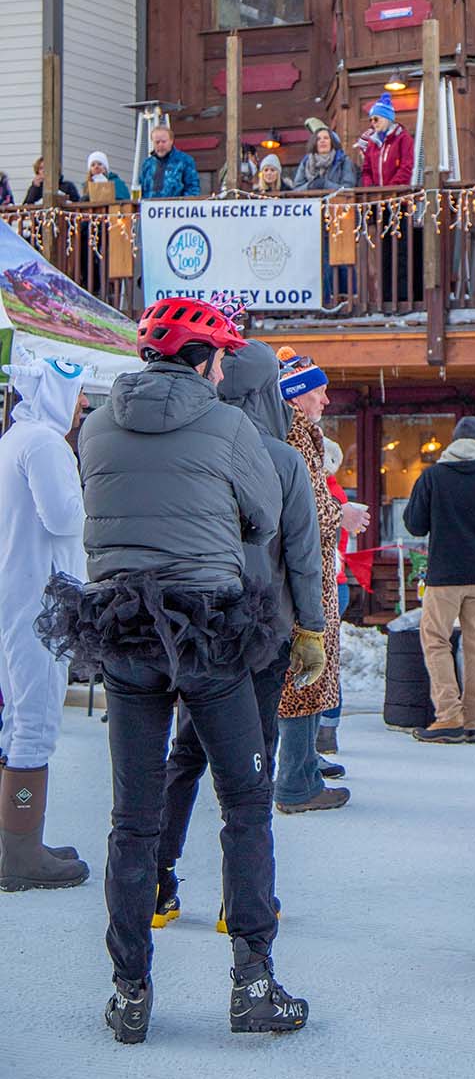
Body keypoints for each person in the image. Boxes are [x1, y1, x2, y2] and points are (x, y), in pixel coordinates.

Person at [36, 297, 307, 1041]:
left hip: (123, 626)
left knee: (133, 817)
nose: (226, 369)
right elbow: (262, 518)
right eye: (222, 357)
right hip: (212, 627)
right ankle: (254, 981)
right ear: (205, 360)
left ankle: (130, 994)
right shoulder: (226, 425)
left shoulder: (95, 426)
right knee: (245, 801)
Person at [154, 338, 329, 928]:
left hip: (200, 629)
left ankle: (158, 881)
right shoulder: (281, 459)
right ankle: (243, 899)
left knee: (186, 753)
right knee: (253, 766)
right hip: (265, 633)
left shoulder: (191, 450)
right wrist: (313, 629)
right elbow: (304, 558)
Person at [0, 358, 89, 893]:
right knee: (35, 722)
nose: (82, 404)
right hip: (43, 603)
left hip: (18, 594)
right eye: (77, 392)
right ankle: (21, 855)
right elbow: (63, 518)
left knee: (16, 719)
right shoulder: (46, 445)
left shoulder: (14, 438)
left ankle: (16, 837)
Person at [403, 416, 475, 744]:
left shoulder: (433, 476)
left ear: (453, 441)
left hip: (444, 575)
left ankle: (449, 715)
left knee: (436, 641)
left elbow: (414, 524)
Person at [274, 355, 349, 813]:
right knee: (306, 669)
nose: (326, 397)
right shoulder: (298, 436)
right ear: (298, 393)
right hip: (306, 575)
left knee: (306, 669)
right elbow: (311, 512)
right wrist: (344, 514)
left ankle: (301, 767)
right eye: (318, 389)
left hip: (304, 571)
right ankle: (297, 781)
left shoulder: (299, 434)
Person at [315, 437, 370, 755]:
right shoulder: (335, 491)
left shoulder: (328, 493)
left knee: (321, 660)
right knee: (325, 658)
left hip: (329, 583)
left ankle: (325, 729)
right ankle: (326, 730)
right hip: (337, 582)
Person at [358, 94, 415, 187]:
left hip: (399, 197)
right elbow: (366, 170)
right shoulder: (372, 143)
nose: (373, 122)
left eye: (376, 119)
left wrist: (391, 188)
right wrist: (370, 187)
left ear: (387, 118)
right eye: (371, 120)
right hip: (376, 197)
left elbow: (406, 166)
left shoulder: (403, 138)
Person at [138, 125, 201, 199]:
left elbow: (193, 189)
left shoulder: (184, 161)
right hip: (150, 208)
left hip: (176, 208)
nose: (160, 145)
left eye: (164, 141)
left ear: (171, 141)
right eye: (157, 142)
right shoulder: (147, 164)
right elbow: (140, 189)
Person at [292, 127, 357, 192]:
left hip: (337, 201)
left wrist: (325, 184)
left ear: (332, 142)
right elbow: (297, 188)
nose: (322, 141)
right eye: (318, 139)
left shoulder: (343, 160)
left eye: (326, 138)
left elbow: (348, 187)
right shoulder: (305, 162)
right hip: (311, 201)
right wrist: (310, 185)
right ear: (314, 143)